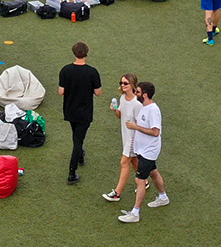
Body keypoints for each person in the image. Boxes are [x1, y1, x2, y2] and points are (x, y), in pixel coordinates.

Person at [116, 81, 166, 223]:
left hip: (149, 151)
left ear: (144, 94)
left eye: (137, 92)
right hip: (142, 149)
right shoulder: (143, 107)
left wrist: (136, 127)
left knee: (140, 180)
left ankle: (135, 213)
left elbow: (156, 132)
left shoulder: (153, 110)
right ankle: (163, 197)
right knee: (153, 172)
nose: (135, 93)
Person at [58, 42, 101, 184]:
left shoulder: (65, 70)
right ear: (86, 53)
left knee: (76, 136)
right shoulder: (92, 72)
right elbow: (98, 92)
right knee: (78, 141)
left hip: (70, 110)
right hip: (85, 112)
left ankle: (80, 155)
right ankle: (72, 172)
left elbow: (61, 91)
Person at [101, 74, 141, 202]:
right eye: (121, 83)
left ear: (133, 85)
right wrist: (115, 110)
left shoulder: (137, 103)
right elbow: (121, 116)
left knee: (124, 163)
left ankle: (117, 193)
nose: (122, 85)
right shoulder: (123, 98)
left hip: (133, 138)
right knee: (134, 160)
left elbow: (141, 123)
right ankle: (144, 180)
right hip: (126, 136)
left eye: (125, 83)